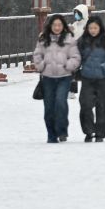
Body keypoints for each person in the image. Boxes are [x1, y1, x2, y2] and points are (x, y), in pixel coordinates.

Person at [33, 14, 81, 143]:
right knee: (48, 107)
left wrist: (68, 65)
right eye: (55, 25)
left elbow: (75, 57)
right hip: (47, 77)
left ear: (63, 26)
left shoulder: (69, 39)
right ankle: (51, 135)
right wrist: (42, 65)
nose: (57, 27)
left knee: (60, 102)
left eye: (59, 25)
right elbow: (37, 55)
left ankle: (62, 130)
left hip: (64, 77)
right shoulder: (43, 39)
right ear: (50, 26)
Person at [76, 15, 105, 142]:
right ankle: (88, 131)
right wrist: (75, 69)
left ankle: (100, 133)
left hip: (102, 79)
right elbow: (76, 56)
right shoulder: (82, 41)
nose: (93, 30)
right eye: (90, 28)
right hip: (87, 78)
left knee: (102, 106)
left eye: (95, 28)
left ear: (100, 28)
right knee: (85, 104)